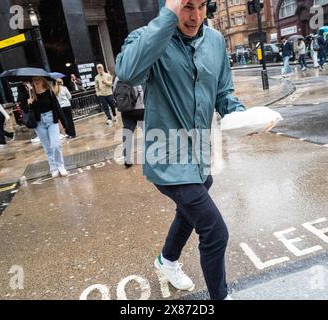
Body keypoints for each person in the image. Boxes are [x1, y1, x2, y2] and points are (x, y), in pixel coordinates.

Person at [116, 0, 247, 300]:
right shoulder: (148, 36)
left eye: (202, 5)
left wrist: (241, 116)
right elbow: (128, 72)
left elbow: (224, 92)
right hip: (166, 155)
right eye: (187, 6)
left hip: (199, 153)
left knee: (193, 204)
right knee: (215, 231)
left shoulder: (214, 40)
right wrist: (167, 16)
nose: (196, 16)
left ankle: (167, 259)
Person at [26, 77, 68, 178]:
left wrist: (63, 122)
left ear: (42, 81)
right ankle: (53, 168)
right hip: (39, 123)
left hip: (51, 120)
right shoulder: (31, 94)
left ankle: (61, 166)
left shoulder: (49, 92)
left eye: (38, 80)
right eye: (34, 80)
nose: (36, 82)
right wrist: (29, 104)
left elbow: (56, 107)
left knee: (55, 145)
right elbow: (27, 111)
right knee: (47, 148)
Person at [113, 77, 145, 168]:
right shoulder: (137, 73)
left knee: (127, 132)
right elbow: (142, 91)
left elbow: (114, 92)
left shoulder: (118, 77)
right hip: (141, 108)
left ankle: (127, 158)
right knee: (147, 130)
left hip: (126, 109)